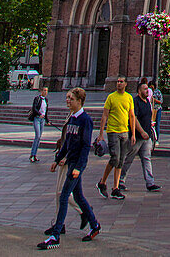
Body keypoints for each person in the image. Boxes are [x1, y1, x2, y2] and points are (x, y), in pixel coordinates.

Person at [38, 87, 100, 249]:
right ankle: (94, 225)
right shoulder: (73, 118)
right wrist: (57, 159)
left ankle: (56, 235)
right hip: (71, 163)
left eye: (71, 99)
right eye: (67, 98)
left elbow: (86, 146)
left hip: (76, 165)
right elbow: (67, 144)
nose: (67, 101)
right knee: (78, 197)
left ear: (79, 101)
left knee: (64, 196)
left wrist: (79, 167)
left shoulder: (85, 120)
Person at [96, 75, 135, 200]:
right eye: (117, 81)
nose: (118, 83)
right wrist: (101, 134)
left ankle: (115, 188)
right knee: (115, 158)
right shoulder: (111, 97)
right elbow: (104, 116)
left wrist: (133, 134)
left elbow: (132, 116)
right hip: (112, 131)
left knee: (121, 161)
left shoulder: (129, 98)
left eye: (121, 82)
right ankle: (102, 182)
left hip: (125, 132)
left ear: (125, 84)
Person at [119, 80, 161, 193]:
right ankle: (120, 180)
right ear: (139, 91)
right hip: (137, 136)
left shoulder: (147, 102)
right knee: (129, 159)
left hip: (146, 137)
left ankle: (150, 183)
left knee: (147, 159)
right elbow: (133, 118)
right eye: (145, 89)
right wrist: (141, 132)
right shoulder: (135, 102)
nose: (147, 91)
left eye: (147, 89)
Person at [29, 85, 50, 163]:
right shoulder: (37, 99)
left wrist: (47, 120)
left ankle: (35, 155)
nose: (45, 92)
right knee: (37, 136)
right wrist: (39, 114)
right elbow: (34, 108)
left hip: (42, 120)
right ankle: (32, 155)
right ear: (41, 91)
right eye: (44, 90)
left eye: (47, 91)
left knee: (39, 137)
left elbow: (46, 111)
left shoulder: (46, 100)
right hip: (37, 118)